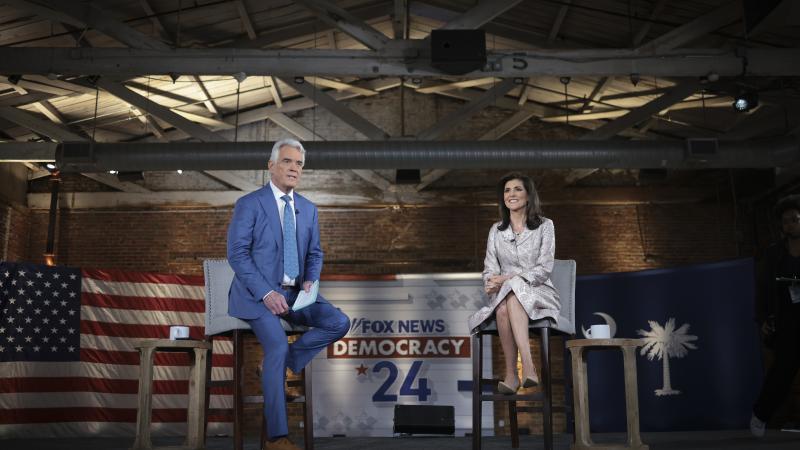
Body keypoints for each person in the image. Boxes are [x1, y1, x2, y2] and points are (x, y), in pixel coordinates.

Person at [227, 138, 350, 450]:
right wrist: (267, 292)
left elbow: (316, 253)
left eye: (299, 164)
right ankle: (276, 438)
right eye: (287, 161)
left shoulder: (307, 209)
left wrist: (311, 278)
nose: (294, 168)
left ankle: (280, 368)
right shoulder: (250, 204)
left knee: (339, 322)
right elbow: (237, 254)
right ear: (271, 166)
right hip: (256, 296)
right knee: (277, 346)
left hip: (296, 294)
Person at [468, 172, 561, 394]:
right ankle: (516, 373)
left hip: (539, 292)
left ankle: (522, 369)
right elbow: (490, 269)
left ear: (528, 196)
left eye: (517, 189)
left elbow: (544, 268)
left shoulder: (545, 226)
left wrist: (508, 278)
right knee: (503, 305)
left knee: (511, 293)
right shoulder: (496, 231)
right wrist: (490, 282)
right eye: (507, 190)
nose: (511, 194)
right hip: (505, 295)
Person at [751, 194, 800, 438]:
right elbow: (763, 290)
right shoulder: (774, 254)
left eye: (796, 219)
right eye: (787, 221)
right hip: (787, 320)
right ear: (782, 226)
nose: (791, 224)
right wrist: (763, 320)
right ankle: (760, 415)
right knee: (782, 372)